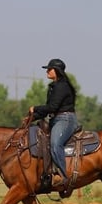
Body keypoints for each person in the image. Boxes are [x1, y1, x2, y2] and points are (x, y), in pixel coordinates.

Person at [29, 58, 78, 192]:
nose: (47, 72)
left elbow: (52, 106)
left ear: (57, 71)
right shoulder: (55, 86)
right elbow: (50, 109)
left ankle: (62, 176)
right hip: (55, 119)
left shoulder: (62, 86)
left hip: (65, 119)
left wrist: (36, 108)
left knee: (56, 143)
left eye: (49, 69)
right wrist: (32, 117)